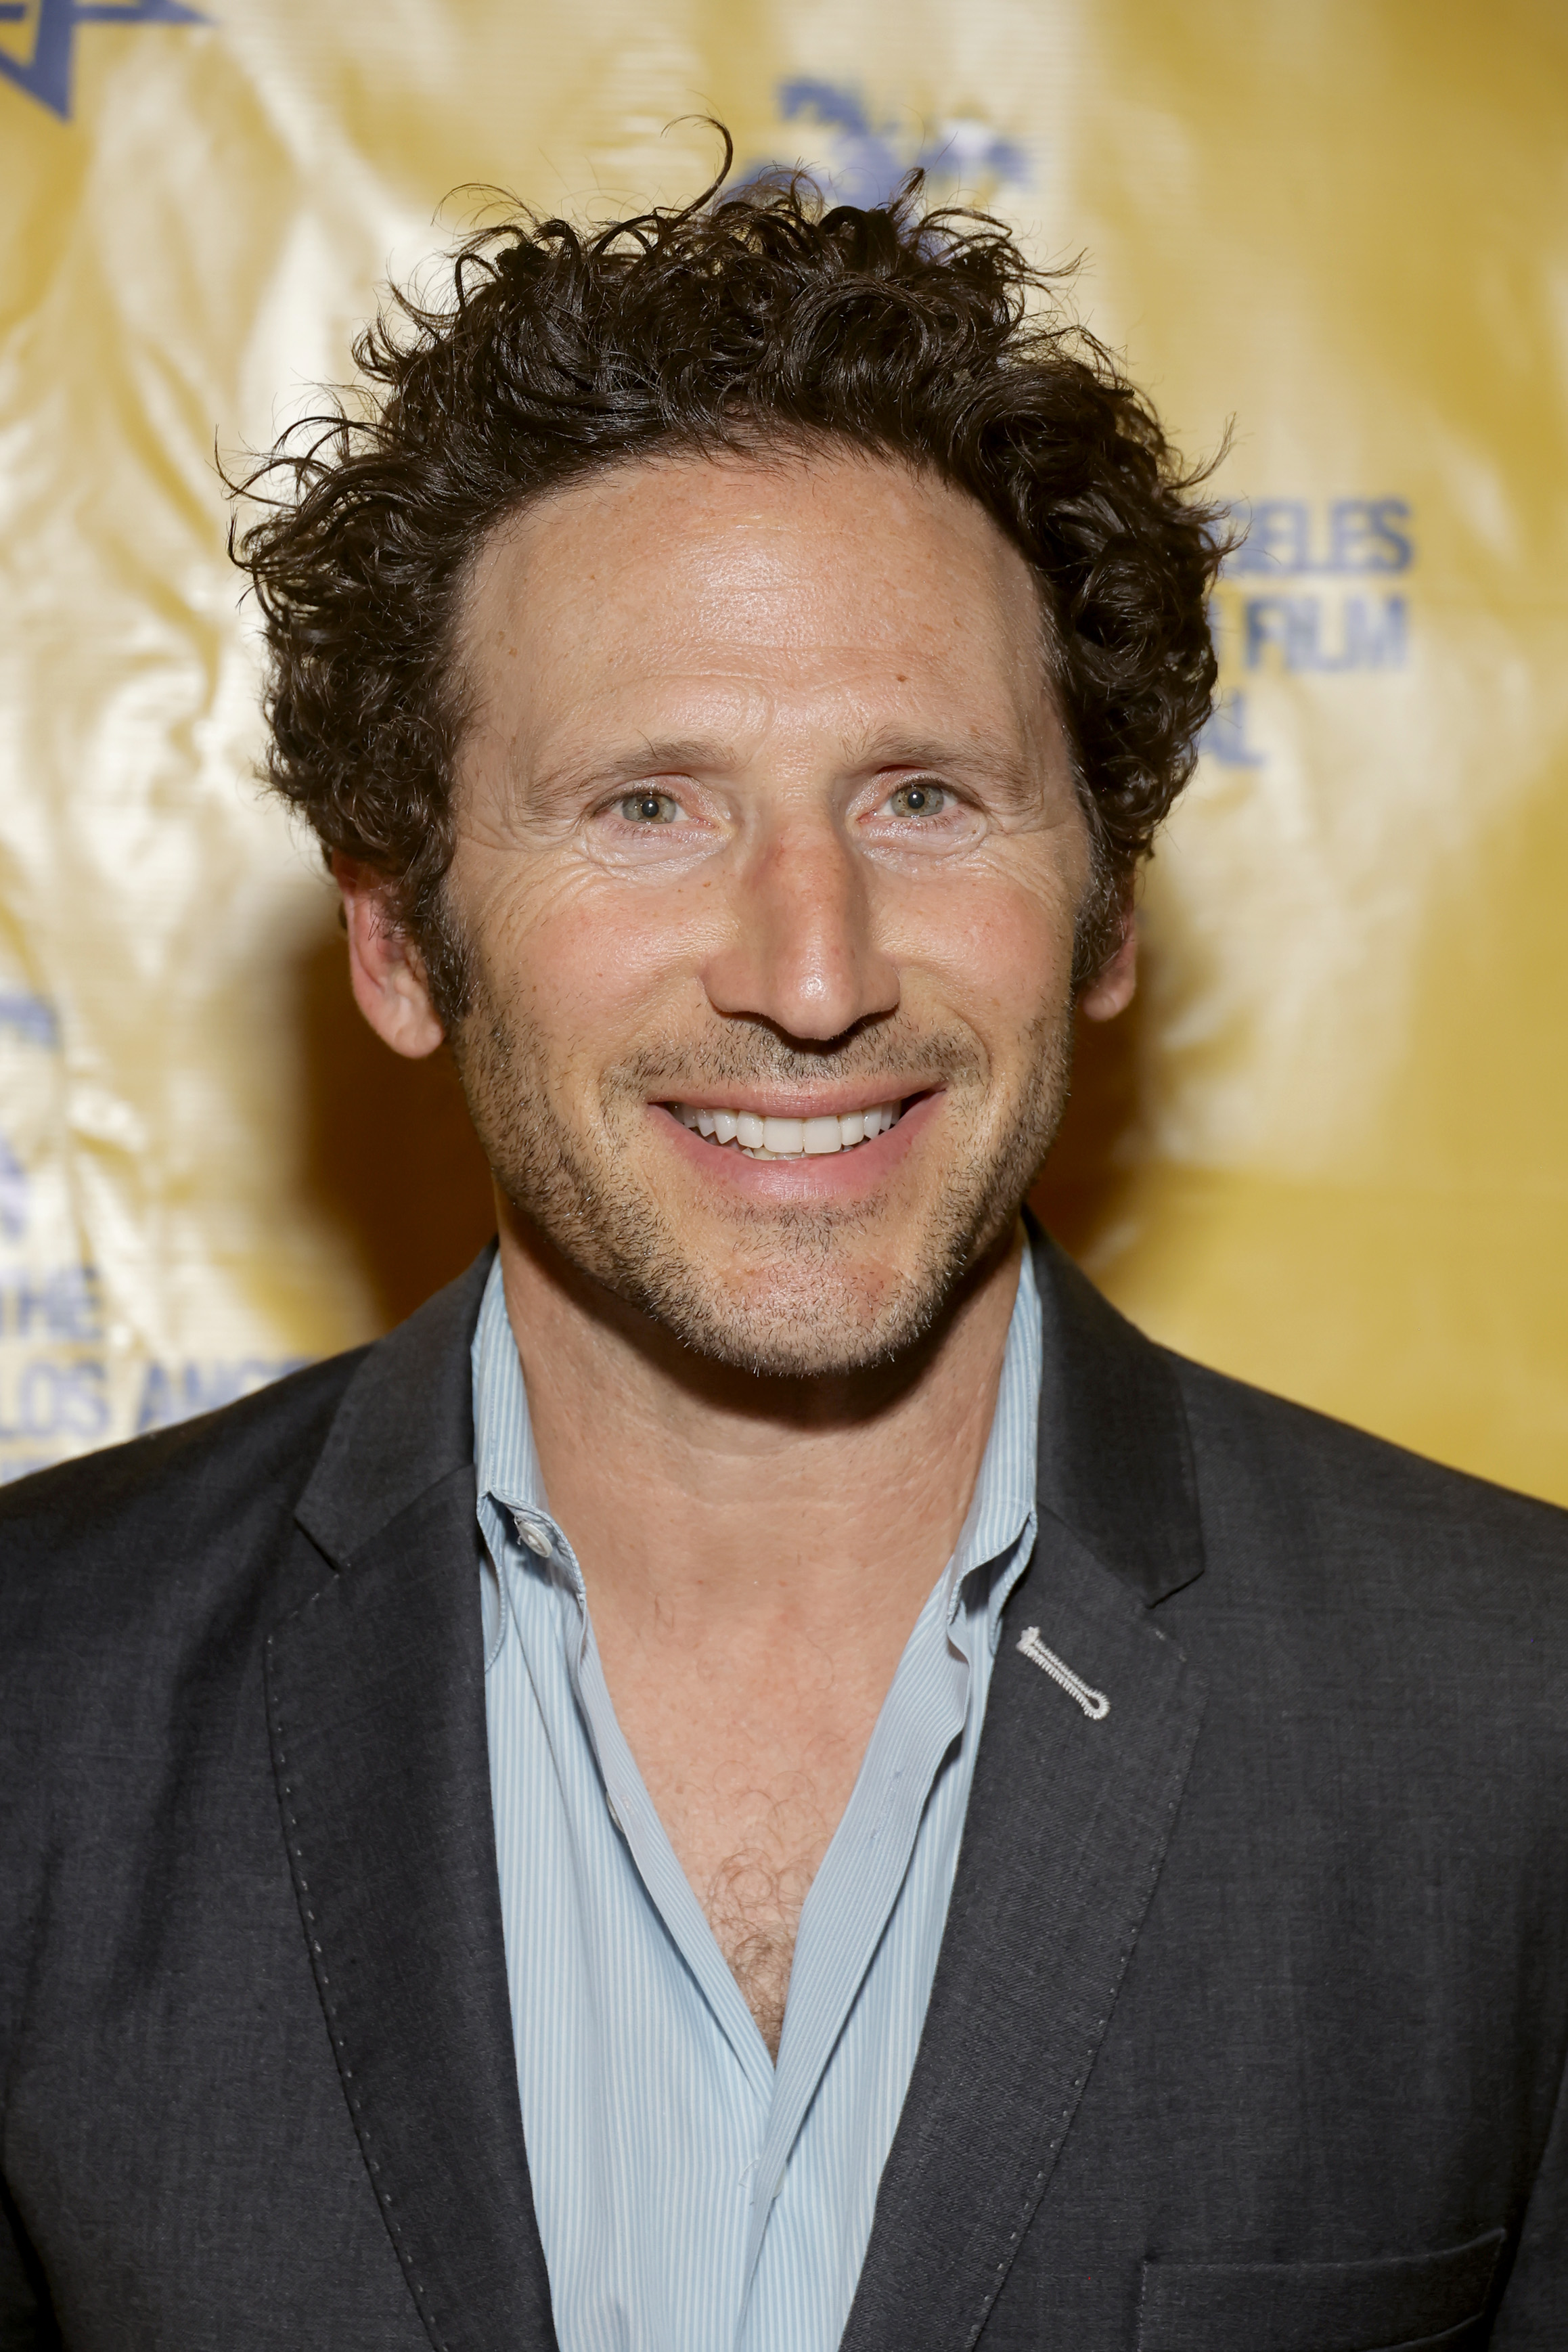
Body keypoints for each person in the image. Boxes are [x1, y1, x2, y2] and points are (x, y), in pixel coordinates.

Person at [1, 160, 1563, 2352]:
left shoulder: (1517, 1727)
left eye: (926, 796)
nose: (812, 970)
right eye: (648, 807)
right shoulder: (40, 1710)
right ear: (397, 943)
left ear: (1105, 912)